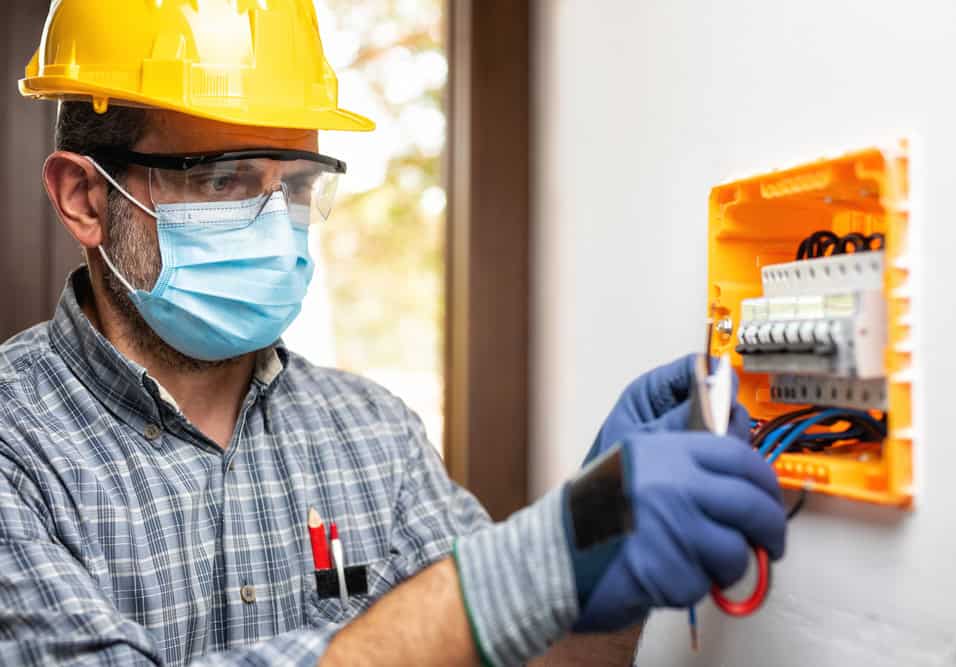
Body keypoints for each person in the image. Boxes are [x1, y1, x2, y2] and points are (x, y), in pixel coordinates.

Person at [0, 1, 786, 665]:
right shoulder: (16, 444)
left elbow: (520, 648)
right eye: (222, 178)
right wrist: (516, 573)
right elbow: (482, 603)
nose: (278, 227)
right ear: (84, 197)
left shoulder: (375, 434)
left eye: (297, 185)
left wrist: (598, 547)